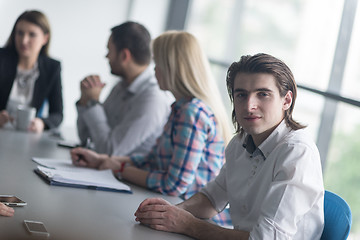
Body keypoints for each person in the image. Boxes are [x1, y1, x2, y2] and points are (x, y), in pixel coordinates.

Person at [134, 53, 325, 239]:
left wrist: (187, 224)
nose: (249, 105)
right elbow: (213, 197)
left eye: (263, 94)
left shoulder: (297, 152)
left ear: (286, 100)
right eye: (241, 95)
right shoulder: (240, 142)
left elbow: (265, 238)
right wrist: (170, 213)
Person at [71, 31, 232, 226]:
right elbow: (153, 159)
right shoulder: (179, 108)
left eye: (157, 64)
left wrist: (120, 168)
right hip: (175, 211)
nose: (154, 71)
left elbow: (174, 184)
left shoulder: (192, 113)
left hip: (194, 221)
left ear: (172, 68)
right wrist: (104, 161)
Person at [76, 21, 172, 156]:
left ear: (124, 56)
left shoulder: (153, 98)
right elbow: (87, 139)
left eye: (109, 50)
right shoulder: (120, 86)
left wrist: (93, 103)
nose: (106, 56)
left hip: (123, 175)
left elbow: (109, 151)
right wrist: (85, 100)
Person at [0, 10, 63, 132]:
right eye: (20, 33)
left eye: (32, 34)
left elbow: (57, 114)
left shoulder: (52, 67)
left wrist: (42, 123)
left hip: (27, 136)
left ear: (45, 38)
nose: (24, 41)